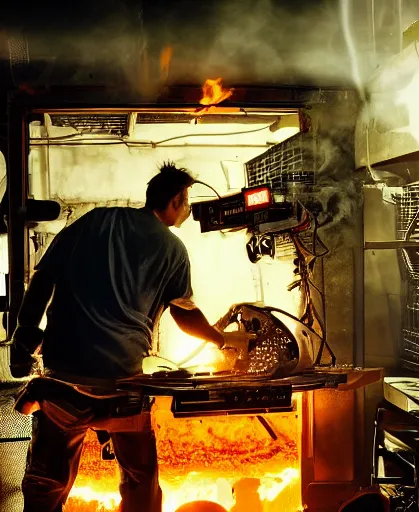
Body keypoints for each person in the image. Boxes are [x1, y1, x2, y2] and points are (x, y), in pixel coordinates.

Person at [9, 162, 250, 512]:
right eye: (186, 202)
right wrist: (223, 340)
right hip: (122, 390)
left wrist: (25, 334)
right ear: (175, 200)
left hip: (63, 384)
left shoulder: (94, 220)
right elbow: (185, 314)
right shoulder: (172, 249)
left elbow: (43, 278)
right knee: (140, 485)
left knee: (46, 486)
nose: (186, 210)